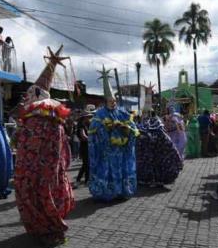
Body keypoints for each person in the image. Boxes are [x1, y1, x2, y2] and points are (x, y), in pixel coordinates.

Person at [14, 46, 75, 244]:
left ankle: (45, 227)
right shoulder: (54, 120)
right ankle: (48, 226)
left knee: (36, 195)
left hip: (37, 171)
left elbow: (28, 145)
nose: (26, 98)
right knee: (46, 194)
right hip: (49, 170)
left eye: (30, 94)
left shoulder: (39, 120)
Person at [88, 66, 138, 201]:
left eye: (114, 101)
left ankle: (121, 191)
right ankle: (107, 193)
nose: (113, 103)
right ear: (105, 102)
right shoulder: (99, 114)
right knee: (107, 172)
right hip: (106, 151)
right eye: (110, 101)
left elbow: (133, 128)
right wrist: (107, 129)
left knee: (121, 170)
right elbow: (93, 131)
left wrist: (123, 127)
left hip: (120, 151)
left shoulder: (122, 112)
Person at [136, 113, 183, 187]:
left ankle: (153, 179)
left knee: (154, 164)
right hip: (154, 154)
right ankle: (154, 179)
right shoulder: (158, 131)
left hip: (155, 154)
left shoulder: (156, 131)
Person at [75, 106, 93, 185]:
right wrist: (91, 139)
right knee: (86, 164)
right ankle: (85, 180)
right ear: (84, 118)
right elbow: (83, 137)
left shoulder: (86, 125)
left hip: (87, 146)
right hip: (84, 147)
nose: (89, 118)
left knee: (85, 164)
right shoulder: (81, 126)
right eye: (87, 117)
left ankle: (80, 179)